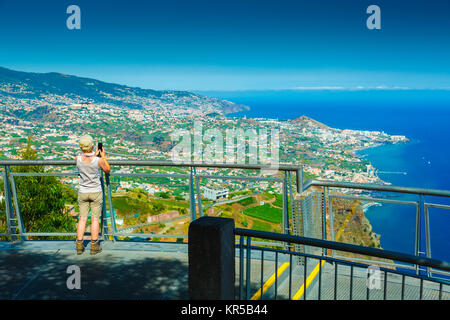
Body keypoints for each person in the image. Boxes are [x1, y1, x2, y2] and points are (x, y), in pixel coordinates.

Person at [75, 135, 111, 255]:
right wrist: (103, 156)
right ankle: (94, 246)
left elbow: (86, 161)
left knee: (82, 218)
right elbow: (107, 169)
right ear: (92, 146)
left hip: (82, 192)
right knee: (95, 219)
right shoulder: (98, 160)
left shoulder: (77, 159)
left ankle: (79, 245)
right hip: (95, 191)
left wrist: (94, 154)